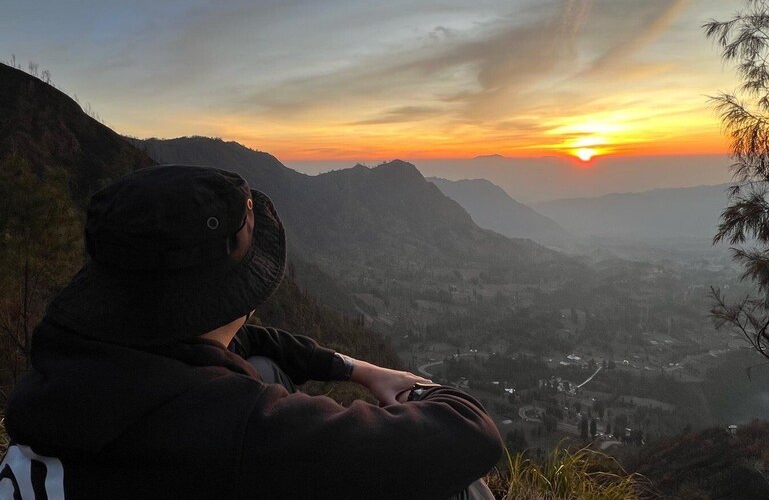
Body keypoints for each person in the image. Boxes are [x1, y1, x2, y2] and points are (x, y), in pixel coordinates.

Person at [0, 165, 502, 500]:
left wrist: (359, 369)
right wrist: (416, 388)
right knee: (454, 485)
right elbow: (468, 434)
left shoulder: (72, 363)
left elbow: (251, 344)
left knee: (261, 366)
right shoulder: (233, 432)